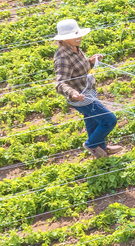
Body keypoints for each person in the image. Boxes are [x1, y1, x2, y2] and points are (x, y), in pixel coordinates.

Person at [52, 18, 122, 158]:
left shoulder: (74, 47)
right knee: (109, 120)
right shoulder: (63, 57)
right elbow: (60, 84)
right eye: (73, 36)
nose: (78, 37)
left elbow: (79, 68)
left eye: (78, 34)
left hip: (87, 92)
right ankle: (91, 144)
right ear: (64, 39)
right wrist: (73, 93)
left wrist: (90, 61)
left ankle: (101, 149)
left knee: (93, 120)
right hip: (81, 98)